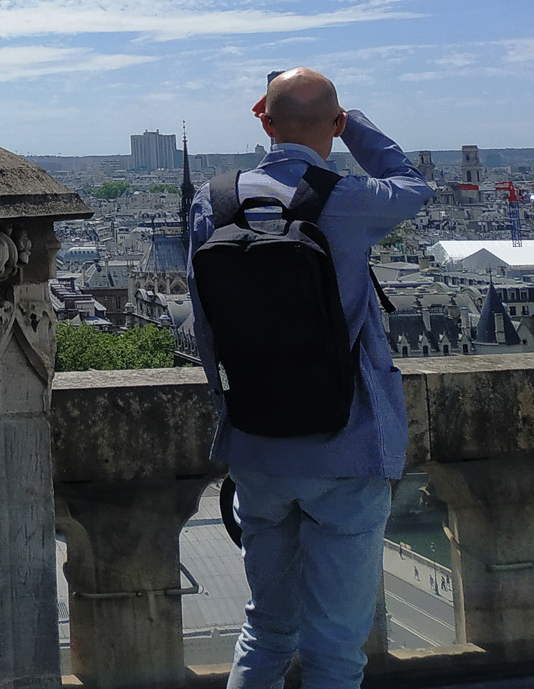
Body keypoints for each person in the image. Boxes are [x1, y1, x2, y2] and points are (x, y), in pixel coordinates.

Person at [186, 68, 436, 689]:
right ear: (332, 124)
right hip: (347, 441)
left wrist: (233, 417)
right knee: (334, 647)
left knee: (266, 628)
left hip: (257, 444)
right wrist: (353, 125)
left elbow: (205, 326)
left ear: (263, 122)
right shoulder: (347, 199)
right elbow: (411, 184)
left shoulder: (213, 201)